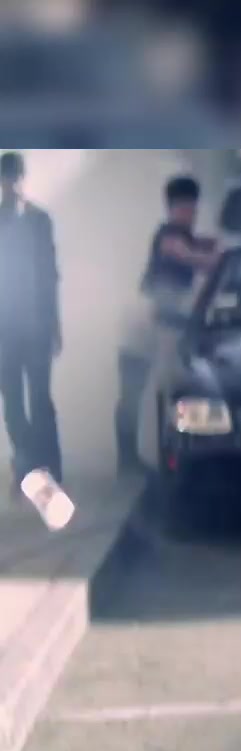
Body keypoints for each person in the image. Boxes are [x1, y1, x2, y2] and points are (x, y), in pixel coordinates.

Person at [119, 174, 219, 474]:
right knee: (136, 394)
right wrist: (220, 257)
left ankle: (158, 457)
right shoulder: (170, 237)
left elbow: (205, 249)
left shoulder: (186, 236)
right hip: (144, 327)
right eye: (186, 207)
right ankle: (129, 462)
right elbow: (193, 257)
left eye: (193, 207)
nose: (191, 213)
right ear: (173, 208)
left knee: (160, 392)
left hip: (159, 326)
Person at [0, 151, 62, 494]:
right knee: (13, 405)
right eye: (7, 178)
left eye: (14, 177)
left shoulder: (40, 221)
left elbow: (50, 275)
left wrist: (54, 324)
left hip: (35, 325)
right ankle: (29, 464)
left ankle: (46, 467)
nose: (11, 184)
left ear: (22, 179)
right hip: (6, 329)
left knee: (38, 401)